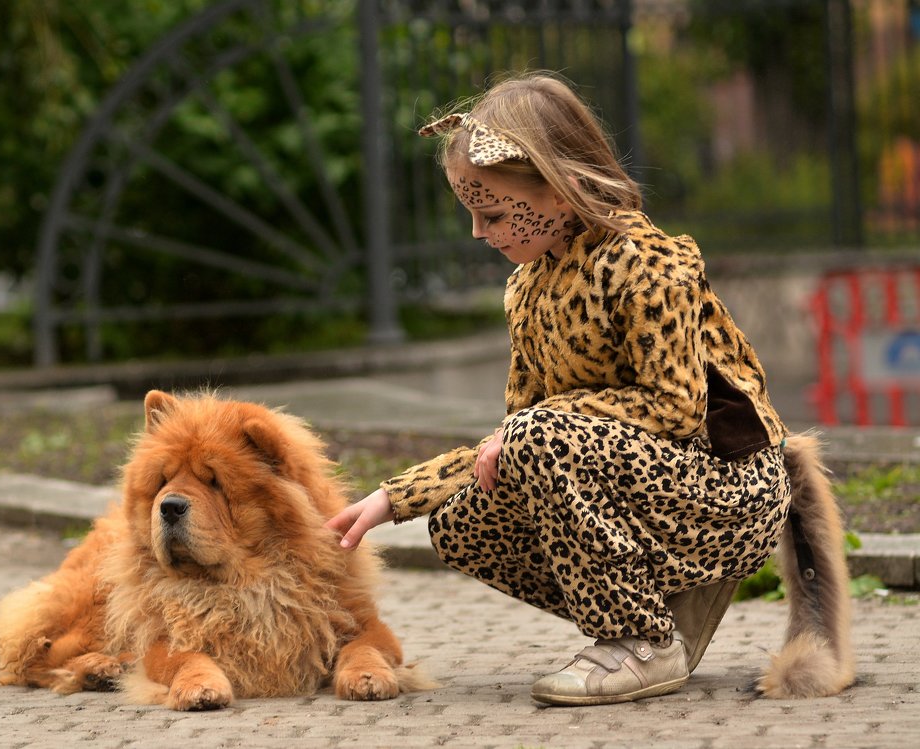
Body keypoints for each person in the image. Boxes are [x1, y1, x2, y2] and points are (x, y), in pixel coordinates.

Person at [325, 72, 854, 706]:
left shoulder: (643, 262)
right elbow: (515, 440)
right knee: (462, 523)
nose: (476, 231)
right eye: (469, 212)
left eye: (490, 212)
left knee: (534, 439)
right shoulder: (528, 289)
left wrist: (534, 428)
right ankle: (652, 613)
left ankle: (638, 641)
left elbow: (677, 407)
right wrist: (394, 499)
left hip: (725, 488)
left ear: (560, 189)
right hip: (643, 487)